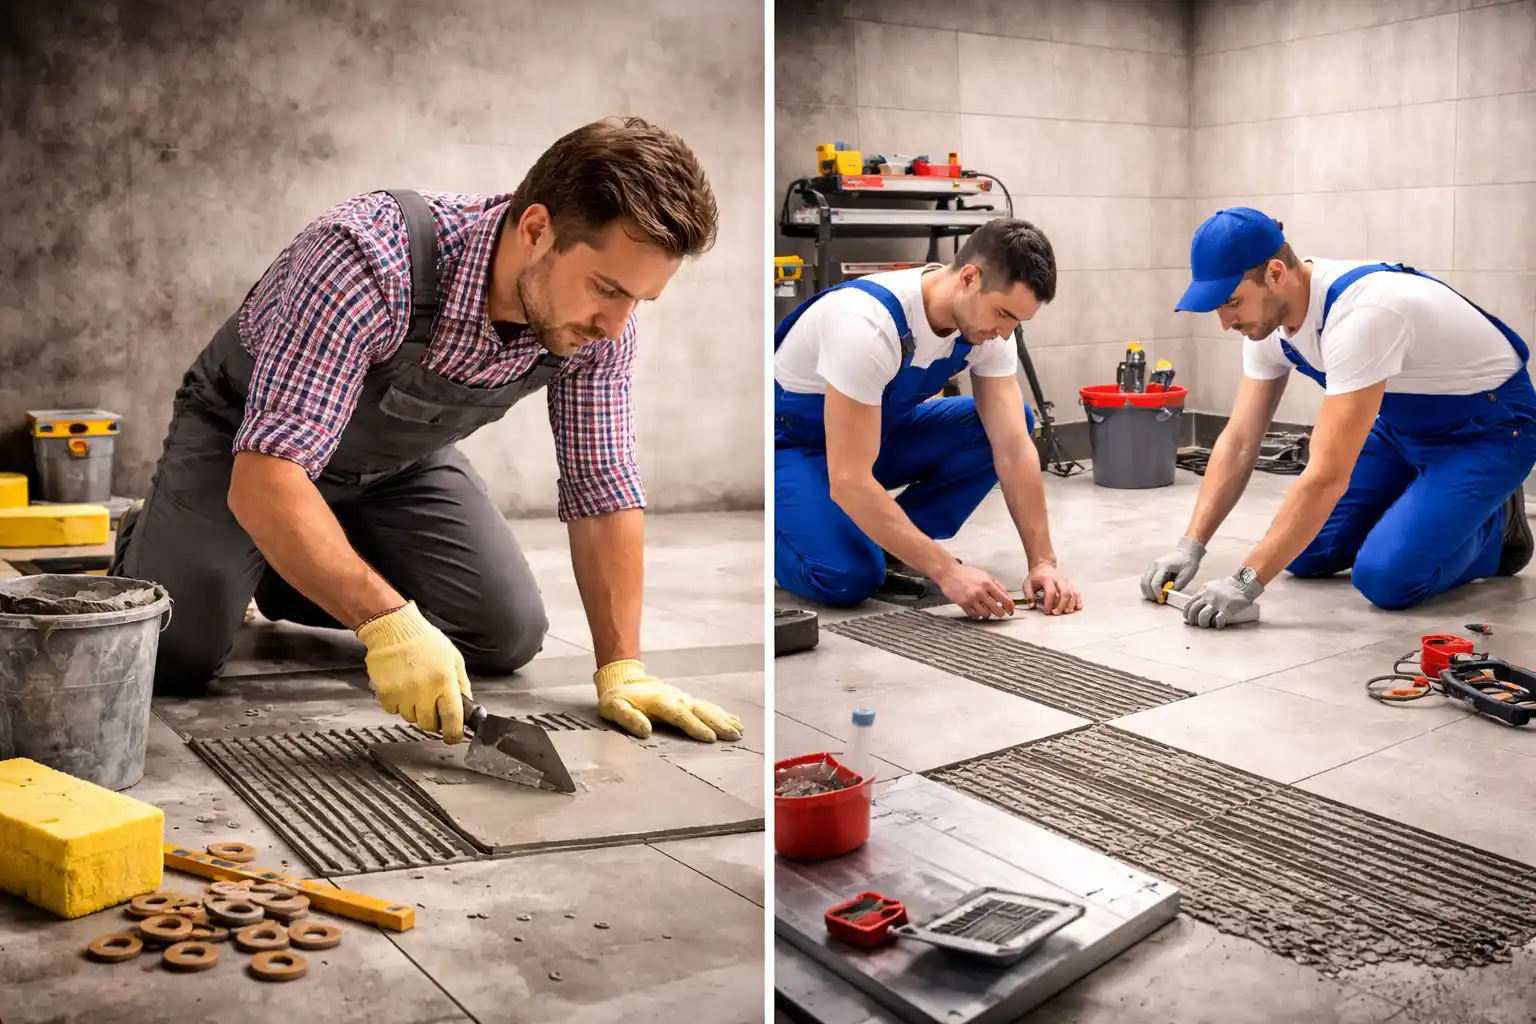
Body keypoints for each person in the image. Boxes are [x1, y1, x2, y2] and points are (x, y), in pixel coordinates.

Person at [112, 117, 743, 746]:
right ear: (535, 230)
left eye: (638, 299)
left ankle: (277, 566)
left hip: (395, 465)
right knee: (177, 657)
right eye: (606, 289)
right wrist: (386, 623)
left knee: (504, 636)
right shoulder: (363, 260)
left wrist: (622, 668)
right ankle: (159, 535)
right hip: (247, 452)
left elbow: (601, 484)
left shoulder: (601, 328)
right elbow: (267, 477)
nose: (615, 322)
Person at [1142, 207, 1535, 628]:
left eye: (1232, 302)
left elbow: (1329, 474)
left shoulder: (1363, 314)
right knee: (1308, 554)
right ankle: (1429, 506)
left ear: (1275, 273)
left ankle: (1498, 530)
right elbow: (1239, 440)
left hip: (1490, 431)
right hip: (1402, 428)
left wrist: (1246, 581)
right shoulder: (1267, 325)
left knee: (1387, 579)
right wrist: (1191, 546)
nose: (1225, 322)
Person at [773, 218, 1082, 620]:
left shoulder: (986, 328)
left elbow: (1011, 445)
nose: (1006, 334)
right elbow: (848, 478)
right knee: (848, 576)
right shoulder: (867, 325)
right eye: (1003, 314)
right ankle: (789, 535)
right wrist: (945, 570)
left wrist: (1043, 561)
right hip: (792, 446)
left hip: (875, 432)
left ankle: (883, 541)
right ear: (970, 277)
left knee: (1012, 421)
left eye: (1017, 322)